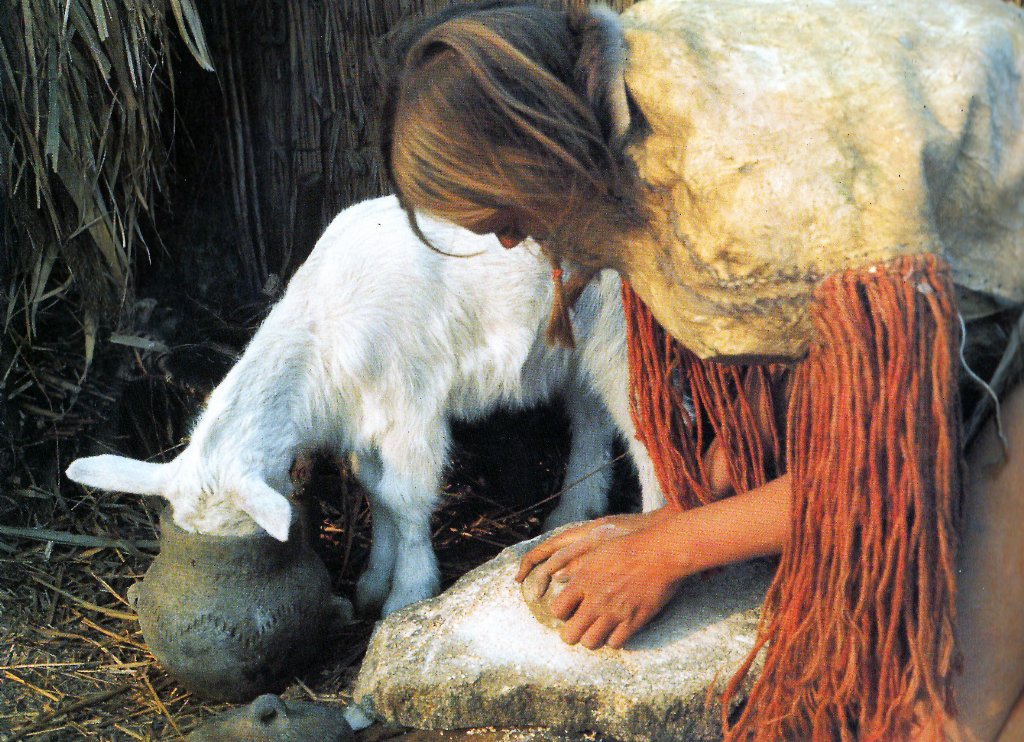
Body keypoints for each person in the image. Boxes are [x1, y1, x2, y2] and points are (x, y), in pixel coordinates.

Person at [381, 1, 1024, 738]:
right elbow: (816, 398)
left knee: (944, 722)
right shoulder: (637, 79)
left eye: (508, 222)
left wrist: (666, 551)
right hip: (973, 306)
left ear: (537, 157)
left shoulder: (744, 181)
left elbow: (884, 471)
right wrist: (681, 514)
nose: (509, 246)